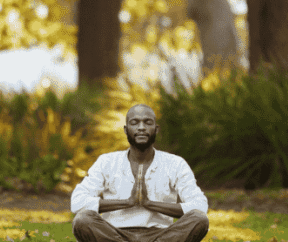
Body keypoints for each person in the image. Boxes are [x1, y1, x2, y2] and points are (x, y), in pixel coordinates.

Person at [70, 103, 210, 242]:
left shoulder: (175, 163)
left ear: (156, 129)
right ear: (126, 129)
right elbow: (77, 201)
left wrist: (149, 204)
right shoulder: (107, 161)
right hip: (115, 235)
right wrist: (127, 202)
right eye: (134, 122)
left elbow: (200, 205)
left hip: (160, 237)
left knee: (199, 219)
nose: (141, 127)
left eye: (148, 122)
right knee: (83, 220)